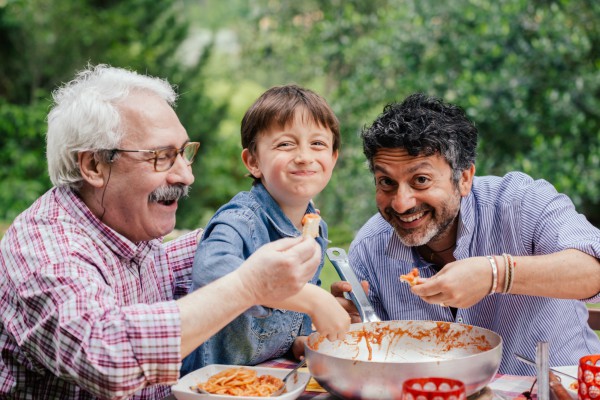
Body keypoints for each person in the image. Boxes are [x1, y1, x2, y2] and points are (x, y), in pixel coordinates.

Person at [0, 65, 326, 399]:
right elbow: (108, 355)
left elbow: (191, 262)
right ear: (94, 166)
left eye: (184, 153)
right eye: (162, 157)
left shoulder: (132, 233)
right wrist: (248, 285)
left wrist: (267, 225)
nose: (186, 176)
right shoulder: (44, 248)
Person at [335, 93, 600, 375]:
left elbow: (593, 269)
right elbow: (378, 359)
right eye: (386, 182)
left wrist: (494, 274)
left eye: (421, 180)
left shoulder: (522, 204)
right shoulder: (368, 248)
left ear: (464, 178)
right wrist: (355, 331)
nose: (401, 203)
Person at [181, 85, 350, 374]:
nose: (304, 156)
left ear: (333, 158)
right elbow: (211, 273)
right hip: (211, 384)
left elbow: (290, 312)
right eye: (286, 144)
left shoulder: (314, 227)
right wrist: (314, 300)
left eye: (318, 144)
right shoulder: (240, 219)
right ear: (253, 161)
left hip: (270, 377)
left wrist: (297, 340)